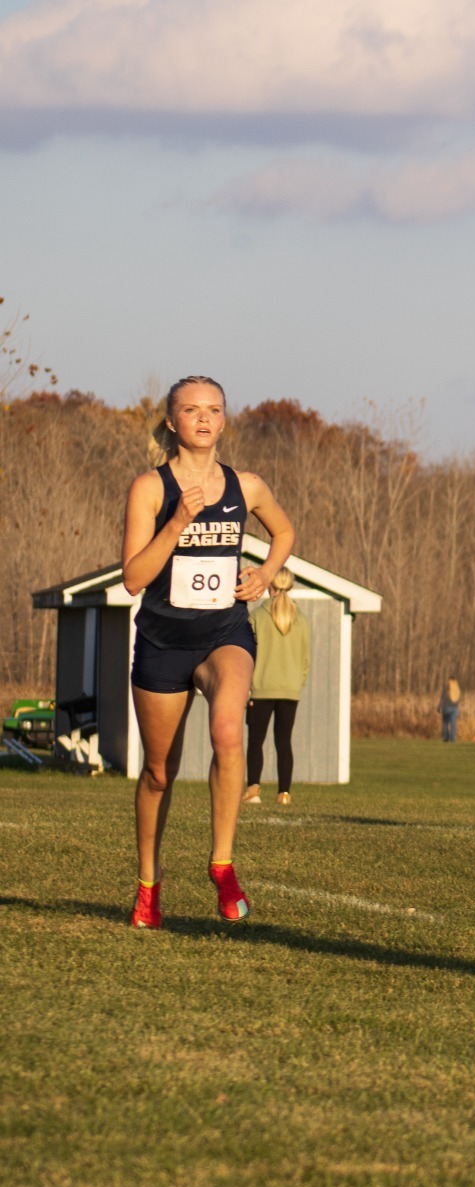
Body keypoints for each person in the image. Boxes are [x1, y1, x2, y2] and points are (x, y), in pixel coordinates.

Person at [121, 375, 295, 929]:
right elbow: (133, 578)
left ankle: (222, 866)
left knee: (227, 732)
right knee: (157, 773)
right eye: (191, 410)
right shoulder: (150, 488)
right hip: (163, 641)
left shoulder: (247, 486)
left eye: (213, 410)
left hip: (225, 632)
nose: (203, 419)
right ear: (171, 422)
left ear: (224, 420)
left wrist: (265, 573)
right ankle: (149, 884)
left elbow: (285, 533)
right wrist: (176, 523)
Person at [244, 568, 310, 807]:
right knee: (283, 742)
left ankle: (253, 789)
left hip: (260, 689)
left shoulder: (256, 617)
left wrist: (247, 687)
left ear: (269, 586)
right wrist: (296, 684)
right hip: (290, 691)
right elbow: (306, 660)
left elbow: (246, 656)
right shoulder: (301, 619)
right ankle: (284, 794)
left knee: (255, 741)